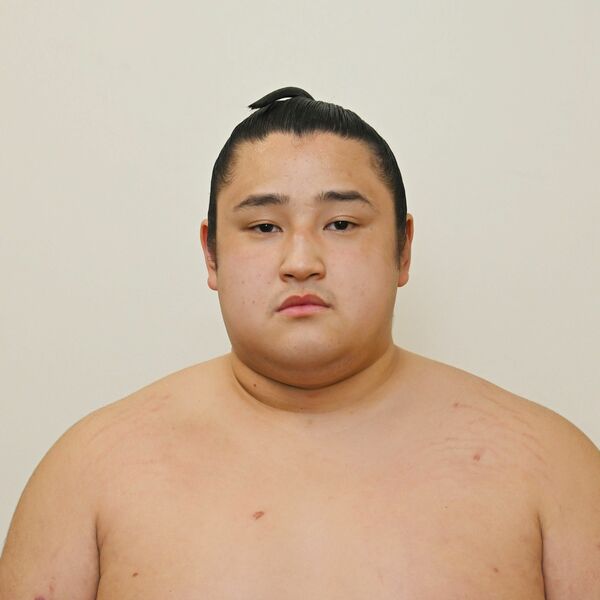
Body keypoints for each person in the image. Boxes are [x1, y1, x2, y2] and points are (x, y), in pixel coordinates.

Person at [1, 86, 599, 599]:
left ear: (403, 248)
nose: (302, 260)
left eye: (341, 224)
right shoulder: (89, 473)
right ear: (211, 253)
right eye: (264, 226)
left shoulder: (552, 469)